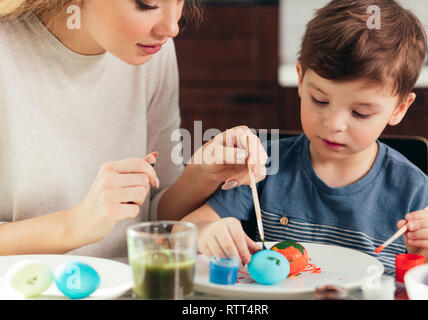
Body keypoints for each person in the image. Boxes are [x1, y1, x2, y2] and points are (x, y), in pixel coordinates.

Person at [181, 0, 428, 273]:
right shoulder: (263, 165)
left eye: (359, 113)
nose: (333, 124)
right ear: (300, 79)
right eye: (320, 100)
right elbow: (187, 229)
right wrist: (207, 232)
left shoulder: (410, 188)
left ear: (400, 108)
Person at [0, 0, 268, 257]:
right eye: (147, 4)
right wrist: (74, 226)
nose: (171, 27)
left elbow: (152, 218)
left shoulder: (153, 50)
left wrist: (201, 176)